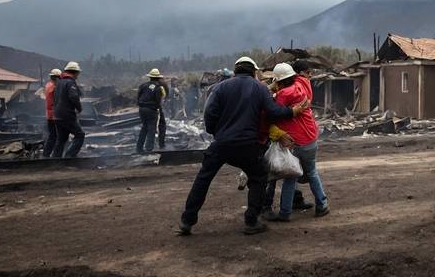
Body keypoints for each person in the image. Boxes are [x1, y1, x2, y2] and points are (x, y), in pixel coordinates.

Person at [178, 57, 309, 236]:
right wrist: (292, 111)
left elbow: (209, 114)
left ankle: (187, 221)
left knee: (203, 179)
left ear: (235, 71)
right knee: (259, 176)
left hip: (222, 144)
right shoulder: (260, 88)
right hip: (247, 145)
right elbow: (273, 112)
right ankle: (251, 221)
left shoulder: (220, 88)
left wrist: (217, 132)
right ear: (254, 72)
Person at [266, 62, 329, 222]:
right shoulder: (302, 85)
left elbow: (275, 113)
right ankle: (322, 205)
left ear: (279, 80)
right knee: (312, 172)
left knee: (290, 177)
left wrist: (271, 90)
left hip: (294, 142)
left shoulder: (283, 94)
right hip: (311, 138)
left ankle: (285, 213)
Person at [53, 61, 85, 158]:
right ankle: (69, 157)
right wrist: (79, 108)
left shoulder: (60, 83)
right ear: (74, 72)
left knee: (62, 138)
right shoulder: (70, 82)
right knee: (80, 135)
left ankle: (55, 160)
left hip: (57, 115)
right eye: (77, 73)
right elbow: (73, 97)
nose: (78, 76)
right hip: (66, 115)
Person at [136, 68, 166, 154]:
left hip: (142, 109)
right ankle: (149, 149)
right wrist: (157, 109)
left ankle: (139, 148)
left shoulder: (143, 85)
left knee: (144, 127)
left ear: (150, 77)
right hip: (151, 110)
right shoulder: (158, 88)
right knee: (151, 128)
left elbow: (138, 98)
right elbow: (158, 101)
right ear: (158, 78)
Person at [42, 69, 62, 158]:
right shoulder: (54, 88)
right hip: (55, 116)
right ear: (57, 77)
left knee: (52, 136)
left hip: (49, 115)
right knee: (59, 136)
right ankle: (56, 156)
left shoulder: (48, 85)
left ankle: (46, 154)